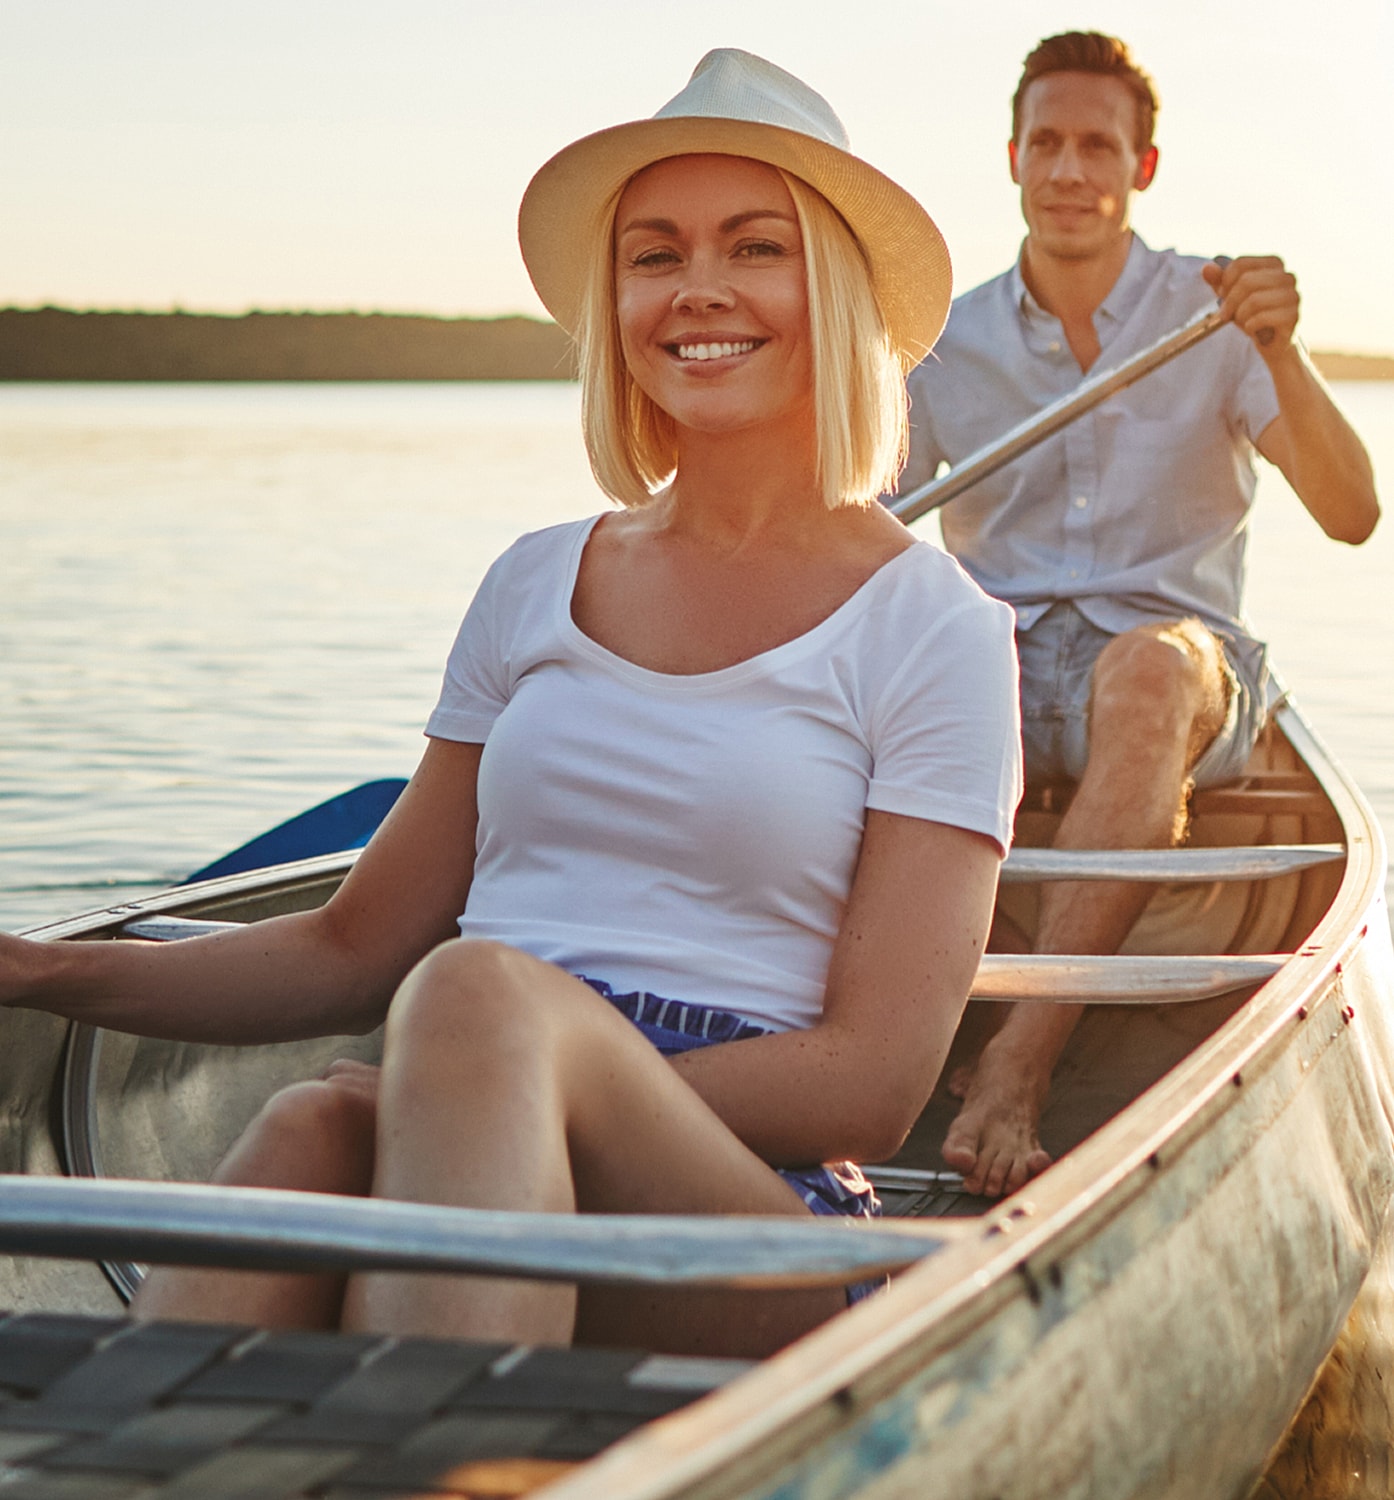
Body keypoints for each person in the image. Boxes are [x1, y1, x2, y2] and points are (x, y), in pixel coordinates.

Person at [0, 49, 1021, 1358]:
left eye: (750, 247)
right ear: (617, 305)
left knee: (478, 997)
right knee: (320, 1119)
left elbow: (875, 1084)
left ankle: (441, 1455)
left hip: (750, 1216)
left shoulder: (930, 625)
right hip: (464, 1101)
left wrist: (498, 1073)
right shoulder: (534, 582)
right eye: (652, 256)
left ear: (829, 290)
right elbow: (351, 951)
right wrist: (38, 971)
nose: (696, 288)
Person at [898, 31, 1379, 1201]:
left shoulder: (1216, 313)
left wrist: (1279, 348)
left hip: (1179, 667)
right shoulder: (935, 338)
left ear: (1141, 167)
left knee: (1145, 670)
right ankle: (877, 1028)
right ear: (1011, 157)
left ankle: (1019, 1055)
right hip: (996, 660)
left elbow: (1353, 512)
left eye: (1096, 146)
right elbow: (855, 531)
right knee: (903, 663)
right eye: (1047, 144)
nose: (1070, 169)